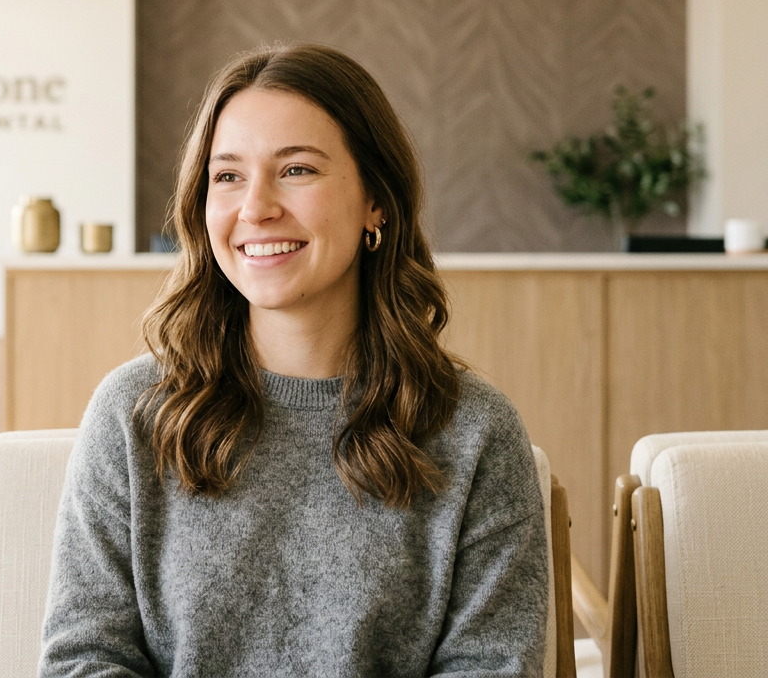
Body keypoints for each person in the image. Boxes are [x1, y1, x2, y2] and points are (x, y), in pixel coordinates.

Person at [39, 44, 548, 677]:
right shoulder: (132, 414)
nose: (256, 207)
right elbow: (85, 660)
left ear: (376, 202)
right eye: (227, 176)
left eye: (297, 170)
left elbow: (491, 667)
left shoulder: (475, 431)